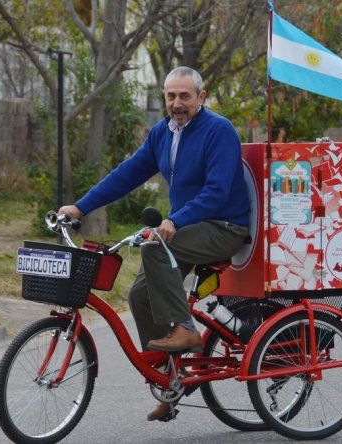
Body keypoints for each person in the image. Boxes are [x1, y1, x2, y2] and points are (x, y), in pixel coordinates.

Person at [58, 66, 250, 419]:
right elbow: (127, 173)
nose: (177, 103)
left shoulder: (218, 131)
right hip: (189, 228)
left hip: (224, 226)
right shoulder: (162, 133)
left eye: (185, 96)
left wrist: (175, 219)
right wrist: (81, 207)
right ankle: (170, 380)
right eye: (171, 96)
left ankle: (187, 331)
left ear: (201, 98)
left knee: (153, 247)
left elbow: (218, 191)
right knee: (139, 296)